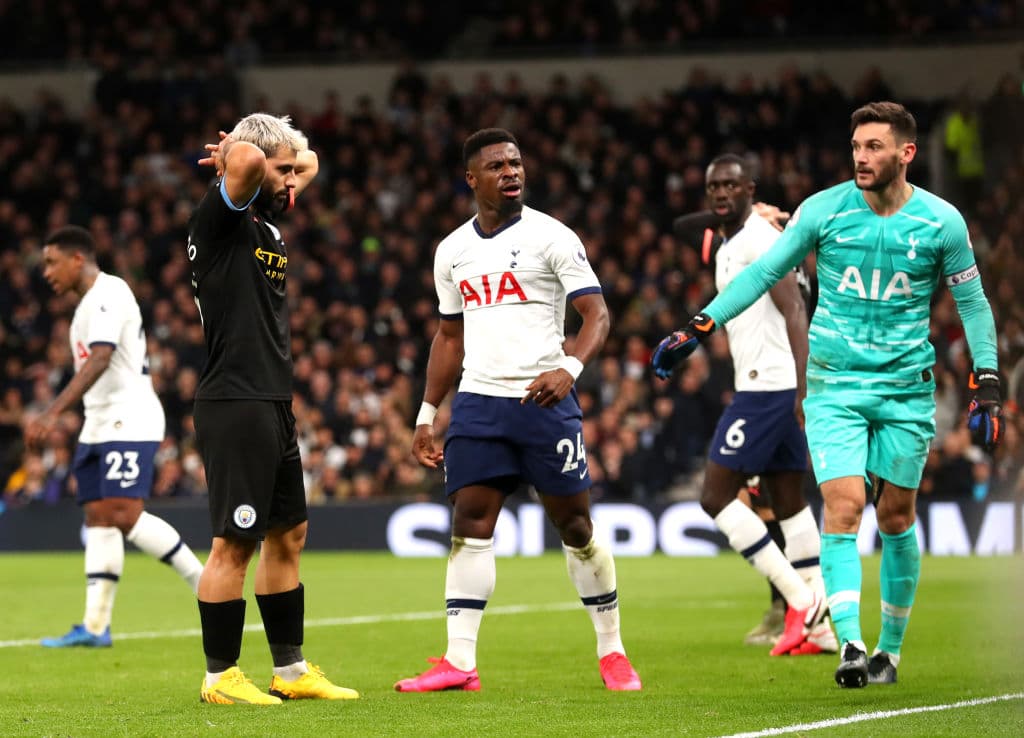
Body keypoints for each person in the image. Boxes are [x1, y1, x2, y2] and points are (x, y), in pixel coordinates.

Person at [652, 102, 1001, 688]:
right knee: (842, 506)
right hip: (834, 386)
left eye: (874, 147)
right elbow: (764, 275)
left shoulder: (943, 222)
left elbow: (972, 303)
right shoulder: (823, 209)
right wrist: (699, 325)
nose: (860, 157)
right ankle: (849, 643)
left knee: (896, 516)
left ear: (906, 153)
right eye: (856, 146)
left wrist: (986, 382)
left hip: (904, 390)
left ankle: (889, 649)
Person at [394, 128, 641, 692]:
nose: (511, 172)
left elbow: (596, 315)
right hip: (480, 403)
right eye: (497, 165)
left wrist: (570, 370)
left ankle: (613, 651)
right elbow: (448, 337)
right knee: (470, 525)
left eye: (516, 163)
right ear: (471, 179)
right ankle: (460, 662)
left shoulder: (552, 237)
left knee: (575, 527)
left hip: (543, 403)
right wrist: (426, 414)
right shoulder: (452, 250)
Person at [188, 113, 358, 705]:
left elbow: (306, 162)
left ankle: (290, 671)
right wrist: (244, 147)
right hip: (234, 399)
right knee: (234, 542)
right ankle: (220, 678)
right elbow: (248, 165)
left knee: (288, 535)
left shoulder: (266, 220)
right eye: (278, 170)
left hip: (271, 399)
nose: (293, 182)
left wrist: (278, 156)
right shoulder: (220, 219)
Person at [680, 154, 835, 657]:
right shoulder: (730, 242)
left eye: (731, 185)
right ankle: (823, 628)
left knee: (715, 495)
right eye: (714, 187)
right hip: (771, 383)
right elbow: (690, 222)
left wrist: (803, 388)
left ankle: (800, 601)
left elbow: (794, 309)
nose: (721, 193)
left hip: (768, 386)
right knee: (789, 502)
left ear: (751, 188)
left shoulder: (762, 241)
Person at [27, 225, 204, 648]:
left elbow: (103, 357)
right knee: (98, 516)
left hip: (129, 417)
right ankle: (94, 626)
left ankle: (207, 586)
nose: (45, 272)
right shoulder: (85, 306)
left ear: (77, 259)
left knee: (123, 512)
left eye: (52, 262)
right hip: (98, 421)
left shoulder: (110, 292)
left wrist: (52, 412)